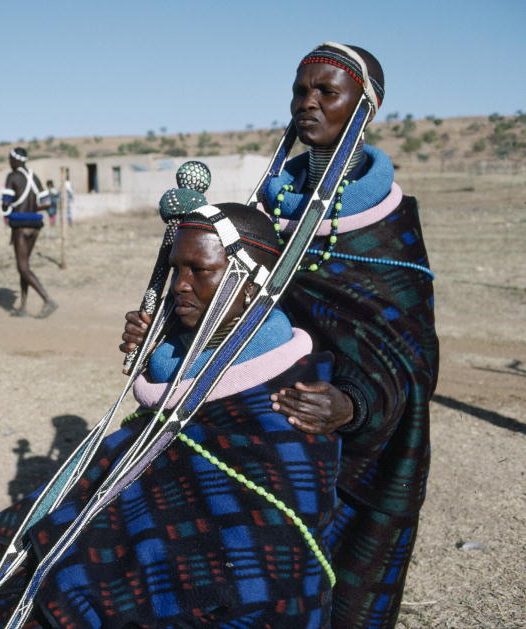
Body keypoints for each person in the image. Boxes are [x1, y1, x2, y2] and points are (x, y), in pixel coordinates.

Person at [0, 205, 342, 627]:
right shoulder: (171, 397)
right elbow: (88, 487)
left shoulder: (292, 406)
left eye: (200, 271)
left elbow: (272, 576)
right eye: (176, 270)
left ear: (254, 284)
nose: (180, 287)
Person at [257, 43, 439, 628]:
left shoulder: (388, 227)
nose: (307, 104)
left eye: (326, 92)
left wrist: (352, 404)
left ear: (364, 107)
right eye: (300, 91)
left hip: (350, 439)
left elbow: (411, 360)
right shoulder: (266, 213)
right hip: (267, 423)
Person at [0, 147, 57, 318]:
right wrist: (31, 207)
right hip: (35, 226)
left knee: (22, 266)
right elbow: (46, 203)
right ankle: (23, 306)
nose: (9, 162)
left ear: (16, 160)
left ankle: (48, 300)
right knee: (24, 266)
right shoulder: (35, 177)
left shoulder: (13, 177)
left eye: (10, 159)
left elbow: (5, 203)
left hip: (21, 227)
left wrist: (15, 207)